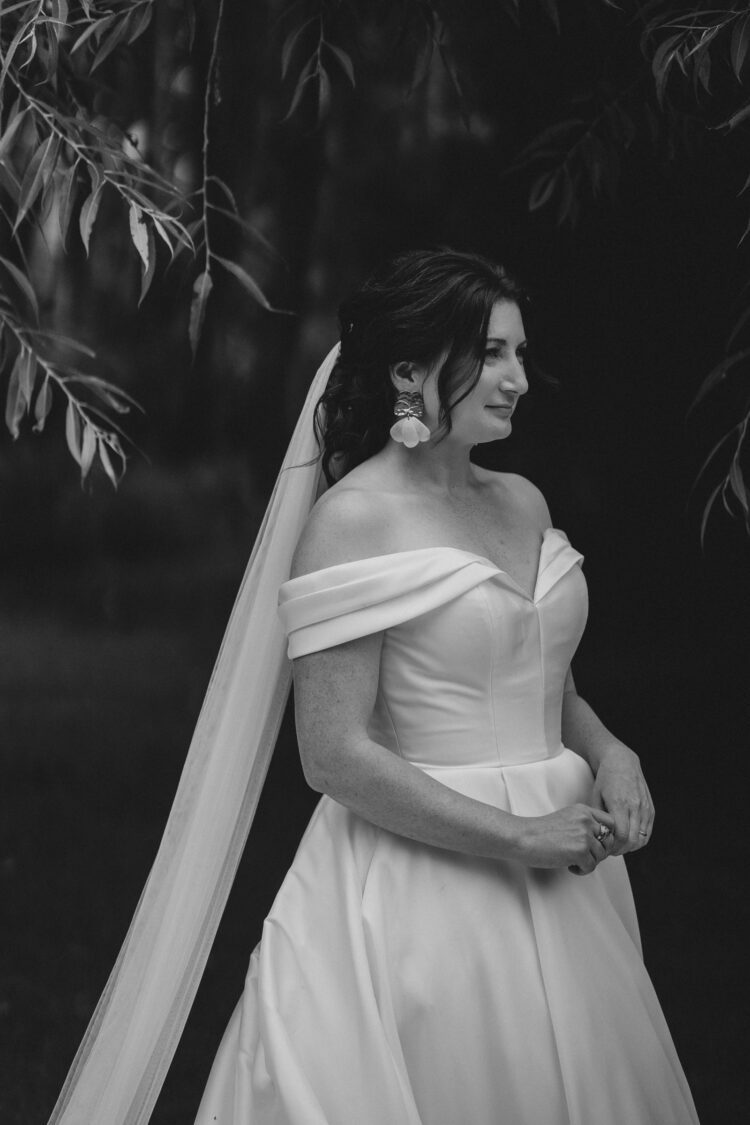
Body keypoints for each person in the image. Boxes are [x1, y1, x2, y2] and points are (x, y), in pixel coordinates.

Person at [48, 249, 699, 1125]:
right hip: (423, 883)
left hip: (567, 867)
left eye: (519, 354)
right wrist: (519, 833)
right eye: (493, 353)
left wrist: (611, 752)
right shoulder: (352, 521)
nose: (518, 379)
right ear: (408, 370)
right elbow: (334, 754)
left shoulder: (525, 502)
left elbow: (552, 688)